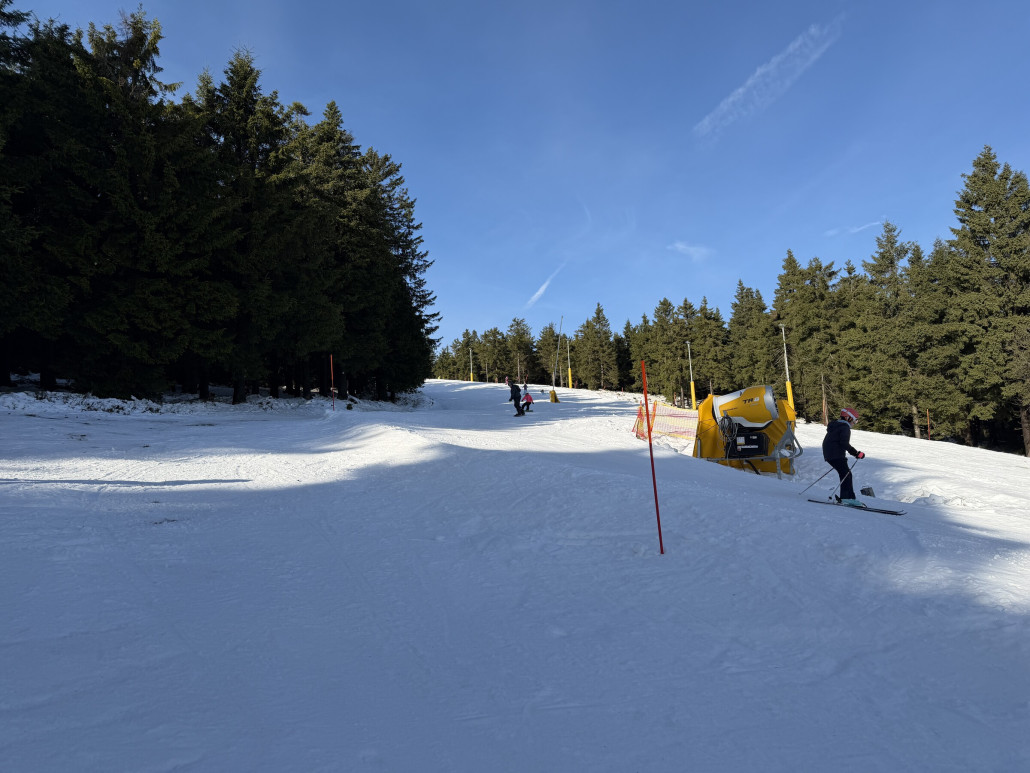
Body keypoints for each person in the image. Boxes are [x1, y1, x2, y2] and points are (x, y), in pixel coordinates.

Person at [822, 407, 866, 506]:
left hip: (830, 454)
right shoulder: (844, 427)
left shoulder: (836, 426)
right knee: (846, 475)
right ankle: (847, 498)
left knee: (845, 474)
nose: (855, 423)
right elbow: (844, 444)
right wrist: (856, 453)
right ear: (848, 418)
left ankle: (847, 497)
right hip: (836, 455)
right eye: (855, 420)